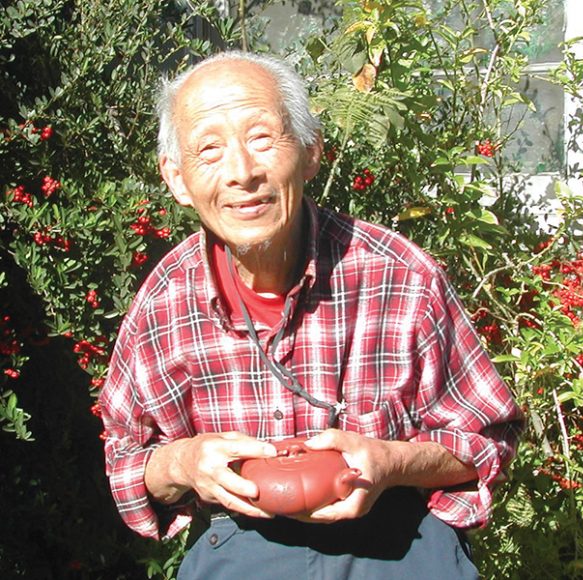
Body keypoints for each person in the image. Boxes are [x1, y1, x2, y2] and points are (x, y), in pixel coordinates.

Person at [99, 50, 524, 579]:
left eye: (261, 138)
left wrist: (391, 463)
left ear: (310, 151)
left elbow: (487, 438)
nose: (242, 172)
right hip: (241, 539)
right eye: (209, 149)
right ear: (178, 178)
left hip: (400, 538)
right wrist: (185, 462)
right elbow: (127, 460)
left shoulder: (401, 276)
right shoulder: (163, 303)